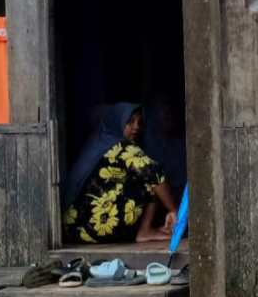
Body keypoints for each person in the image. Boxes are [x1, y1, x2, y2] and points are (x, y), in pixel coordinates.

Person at [63, 103, 179, 244]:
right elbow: (155, 175)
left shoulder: (99, 143)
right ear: (117, 122)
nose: (136, 127)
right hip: (97, 227)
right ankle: (144, 231)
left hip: (74, 230)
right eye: (130, 122)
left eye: (139, 122)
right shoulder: (123, 147)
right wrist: (173, 210)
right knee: (149, 181)